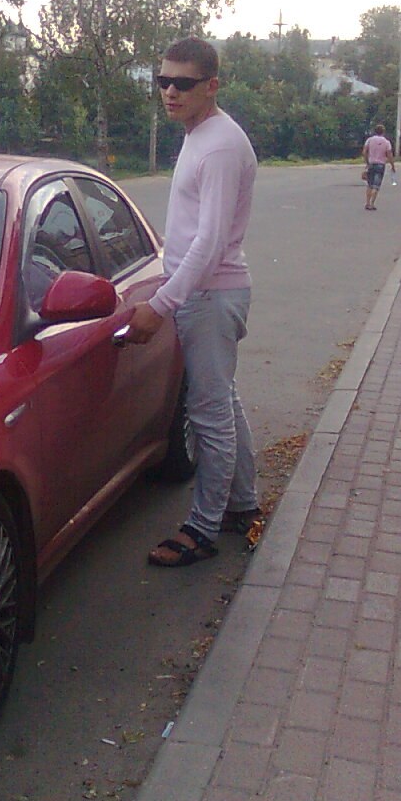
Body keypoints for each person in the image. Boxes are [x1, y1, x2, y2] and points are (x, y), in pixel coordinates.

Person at [122, 36, 260, 567]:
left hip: (210, 295)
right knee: (222, 401)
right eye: (163, 81)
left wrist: (161, 304)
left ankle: (203, 529)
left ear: (212, 86)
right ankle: (241, 505)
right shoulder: (200, 136)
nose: (170, 92)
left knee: (209, 414)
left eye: (183, 83)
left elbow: (210, 240)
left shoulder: (220, 145)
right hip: (205, 292)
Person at [362, 124, 396, 211]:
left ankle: (367, 203)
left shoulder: (369, 140)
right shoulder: (386, 142)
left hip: (371, 163)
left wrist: (367, 162)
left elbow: (364, 152)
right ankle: (372, 204)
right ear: (383, 132)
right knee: (376, 186)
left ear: (375, 131)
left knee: (370, 185)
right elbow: (389, 155)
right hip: (380, 165)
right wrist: (392, 165)